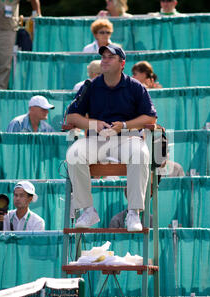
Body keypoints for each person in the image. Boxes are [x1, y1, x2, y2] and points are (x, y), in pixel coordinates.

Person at [65, 44, 157, 232]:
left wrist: (124, 125)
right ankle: (88, 210)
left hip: (127, 139)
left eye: (110, 57)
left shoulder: (135, 87)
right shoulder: (90, 86)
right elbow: (71, 117)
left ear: (122, 63)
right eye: (103, 57)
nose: (105, 60)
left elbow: (150, 118)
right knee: (74, 154)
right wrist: (93, 124)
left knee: (141, 154)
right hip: (96, 141)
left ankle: (133, 213)